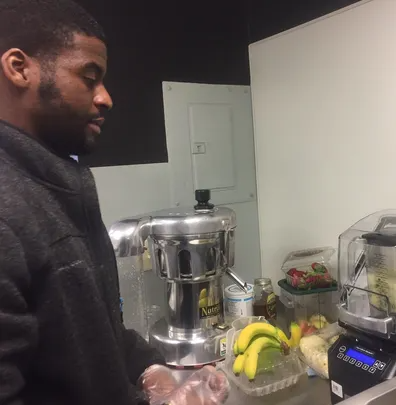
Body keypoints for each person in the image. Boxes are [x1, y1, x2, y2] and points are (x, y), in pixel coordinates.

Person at [0, 1, 229, 404]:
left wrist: (148, 370)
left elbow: (95, 332)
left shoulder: (61, 189)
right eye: (89, 78)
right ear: (19, 68)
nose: (106, 98)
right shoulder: (9, 210)